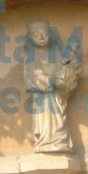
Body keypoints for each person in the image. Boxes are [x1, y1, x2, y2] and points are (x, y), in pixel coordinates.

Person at [23, 21, 81, 153]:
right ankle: (45, 142)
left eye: (45, 34)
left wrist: (71, 65)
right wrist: (50, 81)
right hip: (42, 97)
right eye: (37, 35)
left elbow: (64, 70)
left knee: (58, 120)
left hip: (57, 96)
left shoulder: (57, 54)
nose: (42, 38)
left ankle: (59, 141)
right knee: (45, 121)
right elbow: (31, 78)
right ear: (31, 38)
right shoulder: (30, 58)